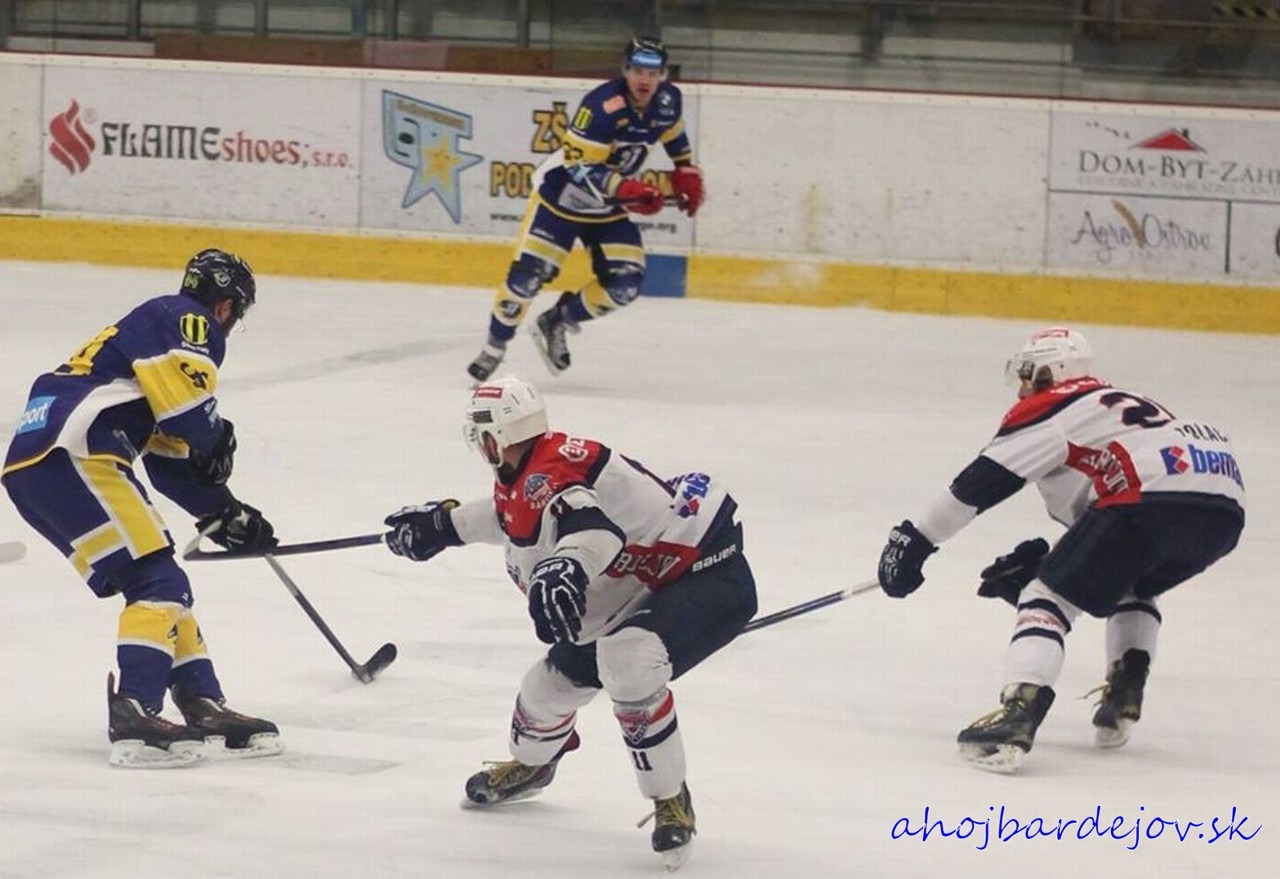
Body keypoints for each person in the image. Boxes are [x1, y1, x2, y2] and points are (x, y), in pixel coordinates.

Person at [383, 376, 756, 870]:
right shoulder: (529, 470)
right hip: (632, 586)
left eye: (481, 433)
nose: (479, 445)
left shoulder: (552, 476)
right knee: (544, 691)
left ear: (496, 436)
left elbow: (593, 530)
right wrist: (442, 526)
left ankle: (671, 799)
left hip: (702, 572)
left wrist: (569, 564)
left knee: (628, 661)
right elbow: (514, 515)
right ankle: (534, 767)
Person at [876, 327, 1245, 773]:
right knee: (1132, 583)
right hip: (1223, 505)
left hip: (1148, 495)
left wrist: (916, 540)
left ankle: (1018, 713)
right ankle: (1126, 688)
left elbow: (978, 485)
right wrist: (1061, 560)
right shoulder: (1120, 404)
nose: (1021, 389)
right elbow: (1120, 520)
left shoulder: (1051, 408)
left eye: (1028, 375)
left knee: (1044, 596)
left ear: (1051, 374)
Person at [2, 249, 283, 768]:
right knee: (158, 582)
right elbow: (190, 420)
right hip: (78, 453)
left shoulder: (149, 343)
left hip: (41, 464)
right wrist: (218, 436)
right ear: (227, 306)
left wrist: (226, 513)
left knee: (158, 582)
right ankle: (135, 711)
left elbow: (170, 463)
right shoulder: (186, 318)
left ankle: (201, 700)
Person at [466, 36, 705, 382]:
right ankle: (494, 348)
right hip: (560, 200)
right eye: (638, 71)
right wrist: (628, 189)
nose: (645, 80)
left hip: (606, 209)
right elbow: (580, 168)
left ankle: (557, 320)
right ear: (626, 71)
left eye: (653, 73)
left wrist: (685, 169)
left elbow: (673, 132)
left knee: (625, 284)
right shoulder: (600, 107)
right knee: (527, 279)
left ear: (663, 75)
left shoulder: (668, 100)